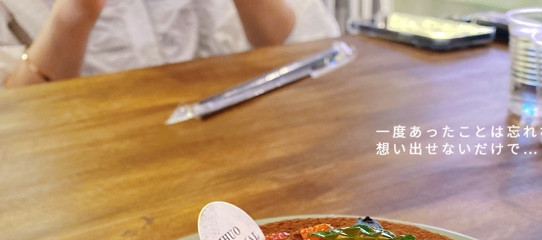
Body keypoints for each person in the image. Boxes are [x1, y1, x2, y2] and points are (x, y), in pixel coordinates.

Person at [0, 0, 340, 88]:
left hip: (226, 135)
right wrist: (75, 13)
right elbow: (12, 117)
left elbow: (316, 50)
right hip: (74, 159)